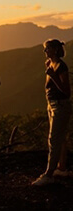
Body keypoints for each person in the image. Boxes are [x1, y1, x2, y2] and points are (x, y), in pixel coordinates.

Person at [32, 39, 72, 186]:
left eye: (47, 48)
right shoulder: (50, 64)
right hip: (53, 105)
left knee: (53, 140)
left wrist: (53, 76)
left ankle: (48, 174)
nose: (45, 51)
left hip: (60, 105)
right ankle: (61, 168)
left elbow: (67, 92)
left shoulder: (61, 66)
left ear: (55, 49)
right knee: (60, 138)